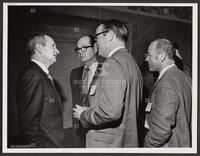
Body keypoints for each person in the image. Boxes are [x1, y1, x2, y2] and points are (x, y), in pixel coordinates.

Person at [73, 19, 143, 147]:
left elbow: (110, 112)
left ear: (110, 35)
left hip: (109, 143)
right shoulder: (131, 61)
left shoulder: (112, 63)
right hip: (125, 139)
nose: (96, 42)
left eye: (97, 37)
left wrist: (83, 114)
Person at [16, 34, 64, 148]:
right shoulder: (33, 75)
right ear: (39, 48)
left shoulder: (41, 73)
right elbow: (28, 125)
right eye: (53, 46)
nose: (58, 51)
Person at [144, 39, 192, 147]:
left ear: (162, 56)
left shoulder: (166, 83)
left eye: (149, 55)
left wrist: (147, 146)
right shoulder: (184, 76)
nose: (146, 59)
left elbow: (161, 131)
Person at [70, 35, 102, 147]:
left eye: (84, 47)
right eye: (78, 49)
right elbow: (76, 101)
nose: (80, 52)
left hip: (99, 127)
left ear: (95, 48)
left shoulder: (106, 70)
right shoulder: (74, 73)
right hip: (79, 128)